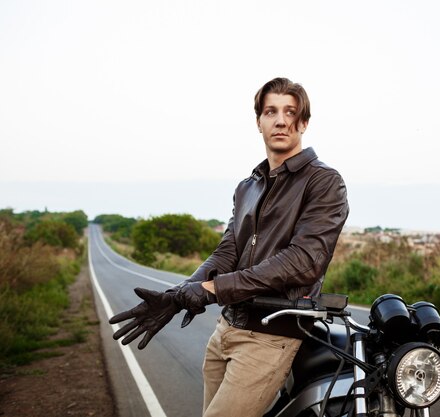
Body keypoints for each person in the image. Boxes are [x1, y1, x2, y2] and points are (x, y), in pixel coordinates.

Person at [109, 77, 349, 417]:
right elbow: (226, 254)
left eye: (290, 112)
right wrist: (180, 294)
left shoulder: (324, 181)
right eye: (271, 111)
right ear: (259, 121)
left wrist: (210, 290)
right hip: (226, 330)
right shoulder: (247, 186)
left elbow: (303, 261)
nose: (280, 120)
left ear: (304, 122)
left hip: (270, 336)